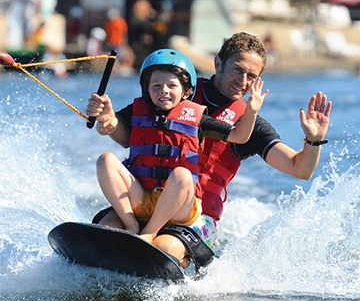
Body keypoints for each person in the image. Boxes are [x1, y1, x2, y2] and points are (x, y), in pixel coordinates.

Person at [87, 32, 332, 270]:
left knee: (164, 248)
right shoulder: (174, 86)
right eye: (237, 69)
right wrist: (108, 120)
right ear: (218, 63)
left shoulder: (250, 123)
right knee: (107, 232)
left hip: (193, 215)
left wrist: (313, 140)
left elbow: (300, 169)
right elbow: (128, 134)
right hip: (144, 197)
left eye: (251, 76)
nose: (243, 81)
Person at [86, 48, 268, 268]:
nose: (164, 91)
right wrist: (104, 116)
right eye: (156, 86)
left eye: (172, 86)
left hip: (180, 209)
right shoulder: (137, 110)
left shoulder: (197, 117)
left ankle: (149, 234)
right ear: (146, 89)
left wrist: (252, 110)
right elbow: (111, 127)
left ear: (185, 91)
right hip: (142, 198)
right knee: (106, 160)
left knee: (181, 179)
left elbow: (239, 136)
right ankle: (131, 225)